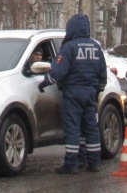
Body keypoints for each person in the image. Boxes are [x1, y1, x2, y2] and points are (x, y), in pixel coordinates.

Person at [40, 14, 106, 174]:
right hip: (90, 93)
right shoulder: (96, 47)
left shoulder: (69, 47)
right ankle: (94, 162)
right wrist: (97, 90)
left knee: (73, 128)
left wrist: (45, 81)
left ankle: (71, 163)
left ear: (71, 29)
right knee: (90, 127)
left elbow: (58, 71)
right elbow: (102, 73)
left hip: (73, 93)